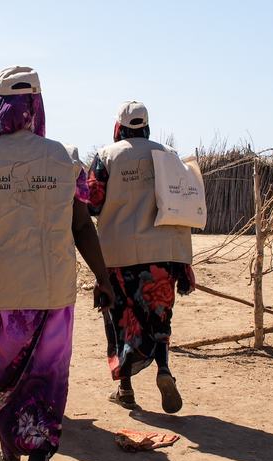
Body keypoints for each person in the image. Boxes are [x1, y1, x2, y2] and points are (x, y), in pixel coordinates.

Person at [0, 66, 114, 461]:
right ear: (37, 105)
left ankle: (11, 453)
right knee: (46, 376)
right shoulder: (65, 158)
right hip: (50, 292)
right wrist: (103, 278)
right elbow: (83, 226)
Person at [87, 100, 195, 414]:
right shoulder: (169, 156)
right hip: (162, 253)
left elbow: (92, 203)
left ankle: (125, 389)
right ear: (147, 126)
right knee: (159, 316)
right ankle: (163, 370)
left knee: (122, 318)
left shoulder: (107, 156)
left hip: (118, 254)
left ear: (119, 127)